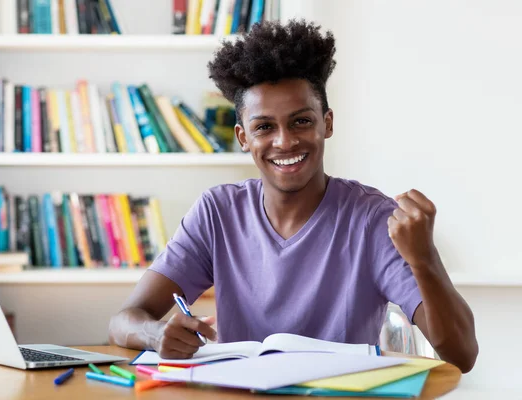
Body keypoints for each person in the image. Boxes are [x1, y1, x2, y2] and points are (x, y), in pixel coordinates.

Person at [109, 19, 478, 373]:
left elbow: (461, 354)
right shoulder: (217, 212)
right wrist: (156, 334)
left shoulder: (371, 219)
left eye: (301, 121)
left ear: (327, 123)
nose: (284, 141)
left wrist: (425, 259)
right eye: (264, 127)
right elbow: (124, 319)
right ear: (243, 138)